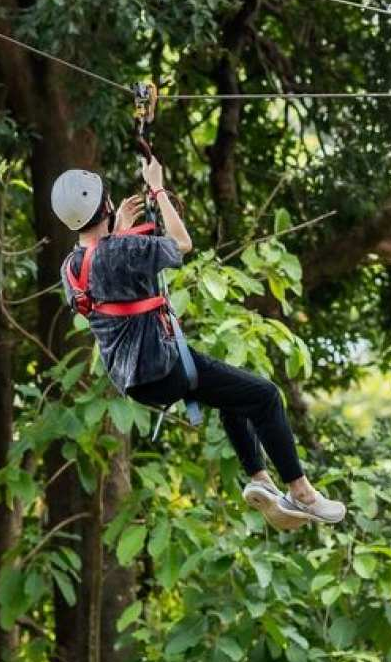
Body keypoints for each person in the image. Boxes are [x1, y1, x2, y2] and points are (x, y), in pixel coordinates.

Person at [51, 157, 345, 529]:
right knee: (266, 395)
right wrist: (156, 186)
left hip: (134, 379)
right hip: (165, 365)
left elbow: (104, 269)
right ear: (106, 206)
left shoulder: (70, 269)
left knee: (233, 397)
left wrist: (119, 231)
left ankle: (261, 481)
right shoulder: (123, 251)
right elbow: (181, 243)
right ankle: (302, 493)